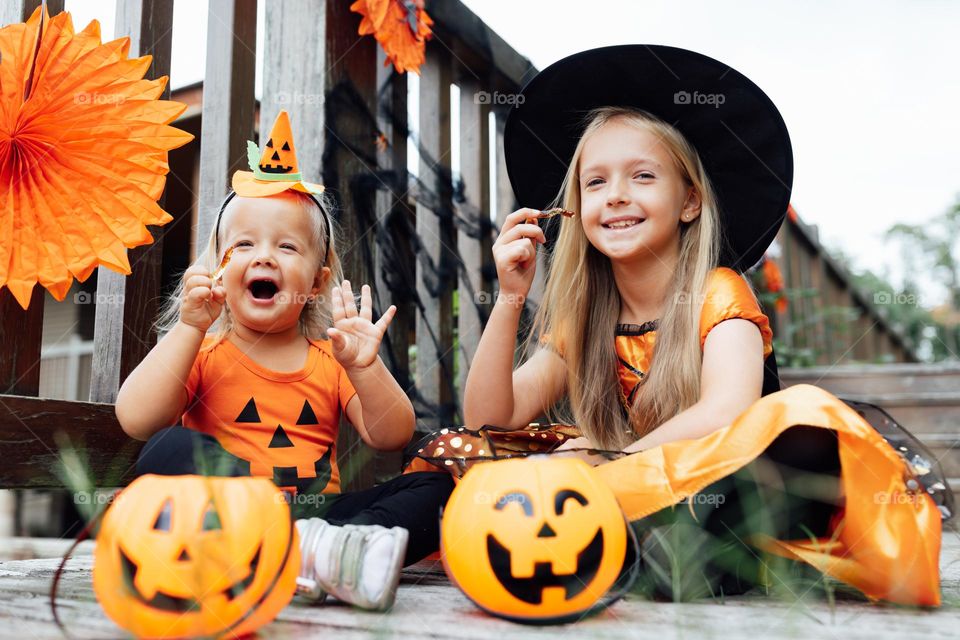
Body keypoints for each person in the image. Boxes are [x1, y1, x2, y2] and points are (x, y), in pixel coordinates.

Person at [458, 45, 942, 605]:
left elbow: (724, 413)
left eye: (642, 176)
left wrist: (603, 464)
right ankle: (633, 555)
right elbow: (490, 418)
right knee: (469, 459)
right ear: (573, 208)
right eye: (595, 183)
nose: (615, 194)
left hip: (724, 482)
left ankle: (667, 556)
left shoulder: (717, 291)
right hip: (638, 486)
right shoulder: (584, 317)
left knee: (801, 418)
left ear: (689, 201)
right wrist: (511, 298)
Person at [115, 110, 453, 611]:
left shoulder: (331, 359)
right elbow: (136, 419)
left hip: (325, 516)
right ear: (219, 270)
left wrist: (365, 367)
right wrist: (189, 327)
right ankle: (296, 551)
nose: (264, 256)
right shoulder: (205, 353)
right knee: (167, 447)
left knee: (435, 487)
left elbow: (392, 436)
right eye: (244, 244)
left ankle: (308, 549)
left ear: (316, 282)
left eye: (287, 246)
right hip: (225, 516)